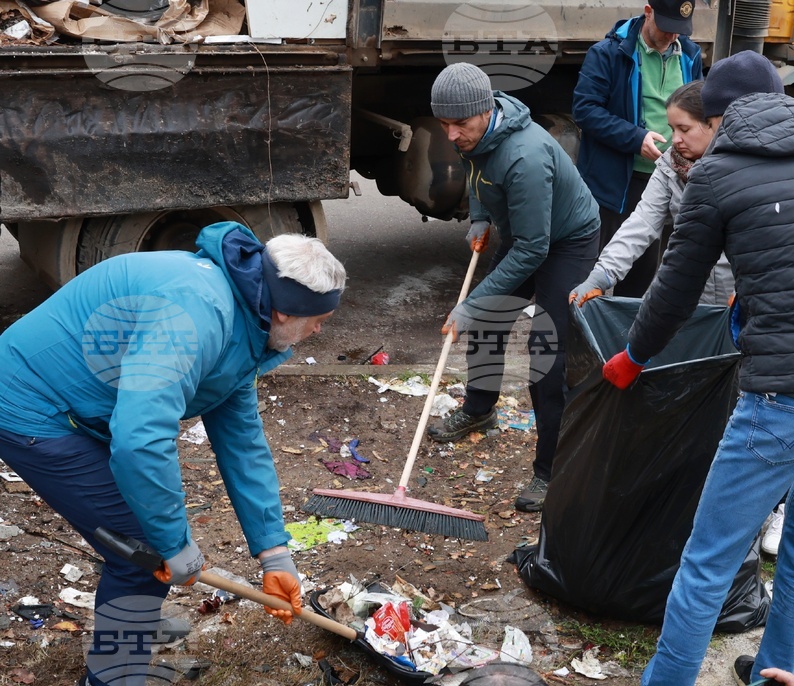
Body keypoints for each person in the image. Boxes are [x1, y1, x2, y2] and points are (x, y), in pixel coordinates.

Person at [601, 51, 794, 686]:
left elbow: (674, 291)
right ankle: (775, 674)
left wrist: (633, 357)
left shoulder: (719, 174)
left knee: (709, 559)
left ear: (721, 115)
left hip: (787, 397)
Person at [0, 223, 346, 686]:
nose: (320, 329)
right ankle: (113, 675)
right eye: (318, 319)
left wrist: (274, 553)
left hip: (83, 408)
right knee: (141, 553)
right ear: (286, 312)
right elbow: (141, 439)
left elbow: (243, 443)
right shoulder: (195, 314)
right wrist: (172, 541)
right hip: (32, 405)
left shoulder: (247, 321)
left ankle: (130, 623)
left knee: (142, 546)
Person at [425, 62, 600, 513]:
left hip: (567, 242)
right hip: (529, 238)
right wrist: (480, 216)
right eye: (444, 124)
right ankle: (480, 407)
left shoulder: (525, 156)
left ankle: (551, 469)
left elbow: (533, 250)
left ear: (485, 111)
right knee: (487, 323)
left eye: (458, 124)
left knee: (549, 356)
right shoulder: (475, 133)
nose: (450, 135)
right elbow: (477, 171)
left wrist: (471, 303)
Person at [573, 0, 702, 298]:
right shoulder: (607, 53)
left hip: (660, 180)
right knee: (591, 271)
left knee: (641, 274)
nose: (673, 37)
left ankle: (623, 339)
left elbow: (698, 113)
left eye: (679, 30)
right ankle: (578, 339)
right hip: (611, 184)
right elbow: (585, 110)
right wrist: (635, 138)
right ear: (648, 11)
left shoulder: (691, 55)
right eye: (666, 28)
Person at [569, 80, 733, 307]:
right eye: (672, 129)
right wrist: (601, 276)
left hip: (740, 299)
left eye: (684, 129)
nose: (675, 139)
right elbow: (642, 223)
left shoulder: (742, 167)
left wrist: (750, 291)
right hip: (689, 297)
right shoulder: (670, 165)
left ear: (712, 124)